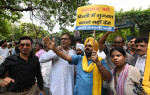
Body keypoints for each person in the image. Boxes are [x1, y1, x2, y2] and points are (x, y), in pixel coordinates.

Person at [43, 36, 111, 95]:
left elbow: (107, 78)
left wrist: (97, 63)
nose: (87, 47)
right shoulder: (79, 59)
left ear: (95, 48)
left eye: (90, 46)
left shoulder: (100, 61)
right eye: (86, 46)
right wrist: (54, 49)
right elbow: (66, 57)